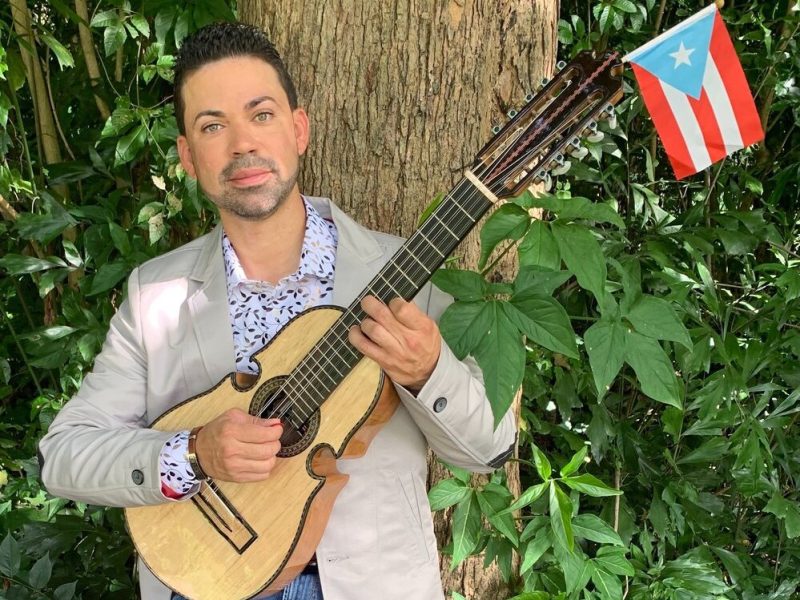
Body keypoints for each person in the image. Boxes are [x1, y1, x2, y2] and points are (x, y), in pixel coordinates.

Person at [38, 22, 516, 600]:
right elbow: (64, 456)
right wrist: (192, 451)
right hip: (207, 579)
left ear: (299, 129)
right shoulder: (155, 294)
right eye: (214, 125)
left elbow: (489, 447)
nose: (242, 144)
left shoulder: (402, 276)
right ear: (189, 156)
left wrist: (427, 369)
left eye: (261, 114)